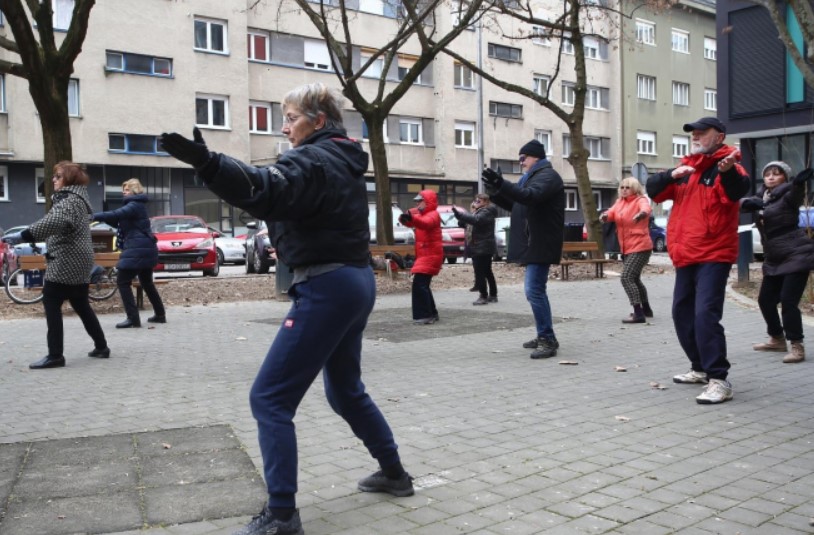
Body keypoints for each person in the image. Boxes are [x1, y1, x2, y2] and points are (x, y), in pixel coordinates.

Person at [159, 83, 412, 535]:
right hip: (354, 281)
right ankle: (394, 473)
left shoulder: (312, 158)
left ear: (318, 120)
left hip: (327, 285)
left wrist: (210, 163)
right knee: (345, 390)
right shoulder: (342, 158)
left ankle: (281, 515)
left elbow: (265, 188)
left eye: (291, 118)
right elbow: (295, 204)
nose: (284, 127)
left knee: (270, 398)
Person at [646, 116, 750, 404]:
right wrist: (671, 175)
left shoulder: (728, 167)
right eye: (693, 133)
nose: (696, 136)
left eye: (702, 132)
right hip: (686, 254)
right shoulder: (687, 170)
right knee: (682, 313)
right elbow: (653, 190)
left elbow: (736, 191)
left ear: (719, 136)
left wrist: (727, 172)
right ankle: (700, 367)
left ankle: (719, 379)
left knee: (705, 314)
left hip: (714, 254)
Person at [1, 162, 110, 369]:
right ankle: (101, 346)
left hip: (66, 260)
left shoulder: (69, 200)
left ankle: (55, 355)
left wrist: (23, 235)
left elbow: (53, 223)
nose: (53, 180)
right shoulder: (78, 199)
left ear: (69, 179)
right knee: (81, 304)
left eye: (58, 176)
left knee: (51, 301)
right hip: (78, 259)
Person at [482, 139, 565, 359]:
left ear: (536, 157)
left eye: (523, 158)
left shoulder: (548, 176)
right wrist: (495, 192)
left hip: (541, 242)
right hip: (533, 242)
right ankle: (544, 334)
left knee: (534, 291)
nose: (520, 162)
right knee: (535, 291)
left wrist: (503, 184)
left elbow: (529, 196)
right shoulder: (531, 178)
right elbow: (518, 204)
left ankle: (547, 339)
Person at [741, 162, 814, 363]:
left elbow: (796, 195)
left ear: (785, 177)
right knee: (765, 300)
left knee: (788, 301)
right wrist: (743, 203)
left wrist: (798, 183)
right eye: (767, 174)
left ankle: (797, 345)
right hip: (774, 257)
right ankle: (777, 339)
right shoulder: (761, 198)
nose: (771, 177)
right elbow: (739, 204)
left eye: (777, 173)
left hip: (796, 253)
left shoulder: (788, 194)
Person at [92, 178, 166, 328]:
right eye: (123, 190)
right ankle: (160, 314)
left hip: (137, 248)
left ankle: (133, 319)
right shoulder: (136, 206)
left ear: (134, 191)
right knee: (147, 283)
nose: (123, 193)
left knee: (123, 281)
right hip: (145, 248)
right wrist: (104, 219)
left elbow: (117, 214)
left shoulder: (134, 205)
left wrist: (94, 216)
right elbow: (119, 221)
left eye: (126, 190)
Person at [600, 177, 653, 324]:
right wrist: (605, 216)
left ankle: (638, 313)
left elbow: (646, 209)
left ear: (635, 189)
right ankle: (646, 309)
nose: (624, 190)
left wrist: (642, 214)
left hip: (641, 246)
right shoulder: (620, 202)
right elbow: (611, 213)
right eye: (622, 187)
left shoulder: (640, 200)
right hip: (627, 247)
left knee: (626, 277)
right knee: (634, 279)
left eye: (627, 187)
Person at [399, 190, 444, 324]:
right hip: (426, 255)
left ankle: (426, 315)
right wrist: (405, 219)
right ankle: (432, 313)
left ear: (427, 202)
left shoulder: (433, 215)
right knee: (423, 285)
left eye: (420, 201)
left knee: (420, 285)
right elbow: (415, 222)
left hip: (430, 255)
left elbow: (425, 223)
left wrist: (412, 218)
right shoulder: (423, 214)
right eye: (417, 201)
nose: (417, 203)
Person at [453, 194, 498, 305]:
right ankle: (493, 295)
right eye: (475, 200)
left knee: (480, 272)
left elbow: (476, 220)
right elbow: (463, 224)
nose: (476, 203)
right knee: (487, 271)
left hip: (482, 247)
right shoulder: (478, 212)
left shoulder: (486, 212)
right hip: (479, 246)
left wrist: (461, 214)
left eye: (479, 201)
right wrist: (466, 214)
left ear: (486, 202)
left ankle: (483, 296)